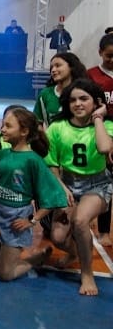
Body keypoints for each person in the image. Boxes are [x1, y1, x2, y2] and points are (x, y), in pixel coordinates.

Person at [0, 107, 67, 282]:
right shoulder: (3, 154)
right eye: (2, 125)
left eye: (8, 126)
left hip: (16, 217)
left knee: (4, 274)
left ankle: (33, 259)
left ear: (24, 131)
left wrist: (32, 220)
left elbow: (53, 197)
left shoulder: (33, 160)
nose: (2, 129)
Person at [45, 79, 113, 296]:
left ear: (96, 102)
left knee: (81, 220)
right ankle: (76, 253)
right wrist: (61, 188)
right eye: (73, 99)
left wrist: (98, 118)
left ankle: (87, 273)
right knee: (57, 237)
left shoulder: (106, 125)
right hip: (67, 183)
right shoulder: (57, 127)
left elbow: (104, 148)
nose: (78, 103)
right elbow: (52, 164)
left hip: (98, 183)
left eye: (84, 98)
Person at [86, 33, 113, 246]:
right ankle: (92, 219)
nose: (112, 60)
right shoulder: (91, 76)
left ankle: (104, 229)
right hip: (96, 132)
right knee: (97, 180)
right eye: (109, 55)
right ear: (100, 53)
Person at [33, 52, 87, 129]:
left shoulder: (85, 92)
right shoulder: (45, 94)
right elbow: (37, 122)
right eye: (51, 67)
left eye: (58, 66)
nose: (53, 70)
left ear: (71, 67)